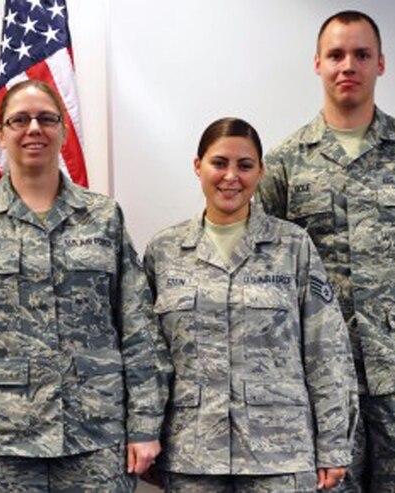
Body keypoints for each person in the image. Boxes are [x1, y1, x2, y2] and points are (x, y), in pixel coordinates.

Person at [258, 10, 395, 492]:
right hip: (320, 380)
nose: (348, 66)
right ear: (317, 63)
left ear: (381, 63)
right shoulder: (285, 162)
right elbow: (268, 278)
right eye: (336, 55)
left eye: (361, 55)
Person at [0, 80, 164, 493]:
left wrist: (145, 425)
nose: (33, 129)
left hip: (95, 438)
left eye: (46, 119)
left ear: (63, 130)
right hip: (1, 441)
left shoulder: (102, 217)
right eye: (19, 119)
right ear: (0, 133)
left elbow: (138, 329)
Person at [144, 117, 355, 492]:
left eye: (244, 166)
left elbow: (328, 350)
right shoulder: (165, 251)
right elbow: (148, 356)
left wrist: (334, 444)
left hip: (279, 454)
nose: (231, 176)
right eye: (219, 163)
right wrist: (144, 432)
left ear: (260, 171)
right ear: (198, 166)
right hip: (192, 455)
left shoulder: (293, 246)